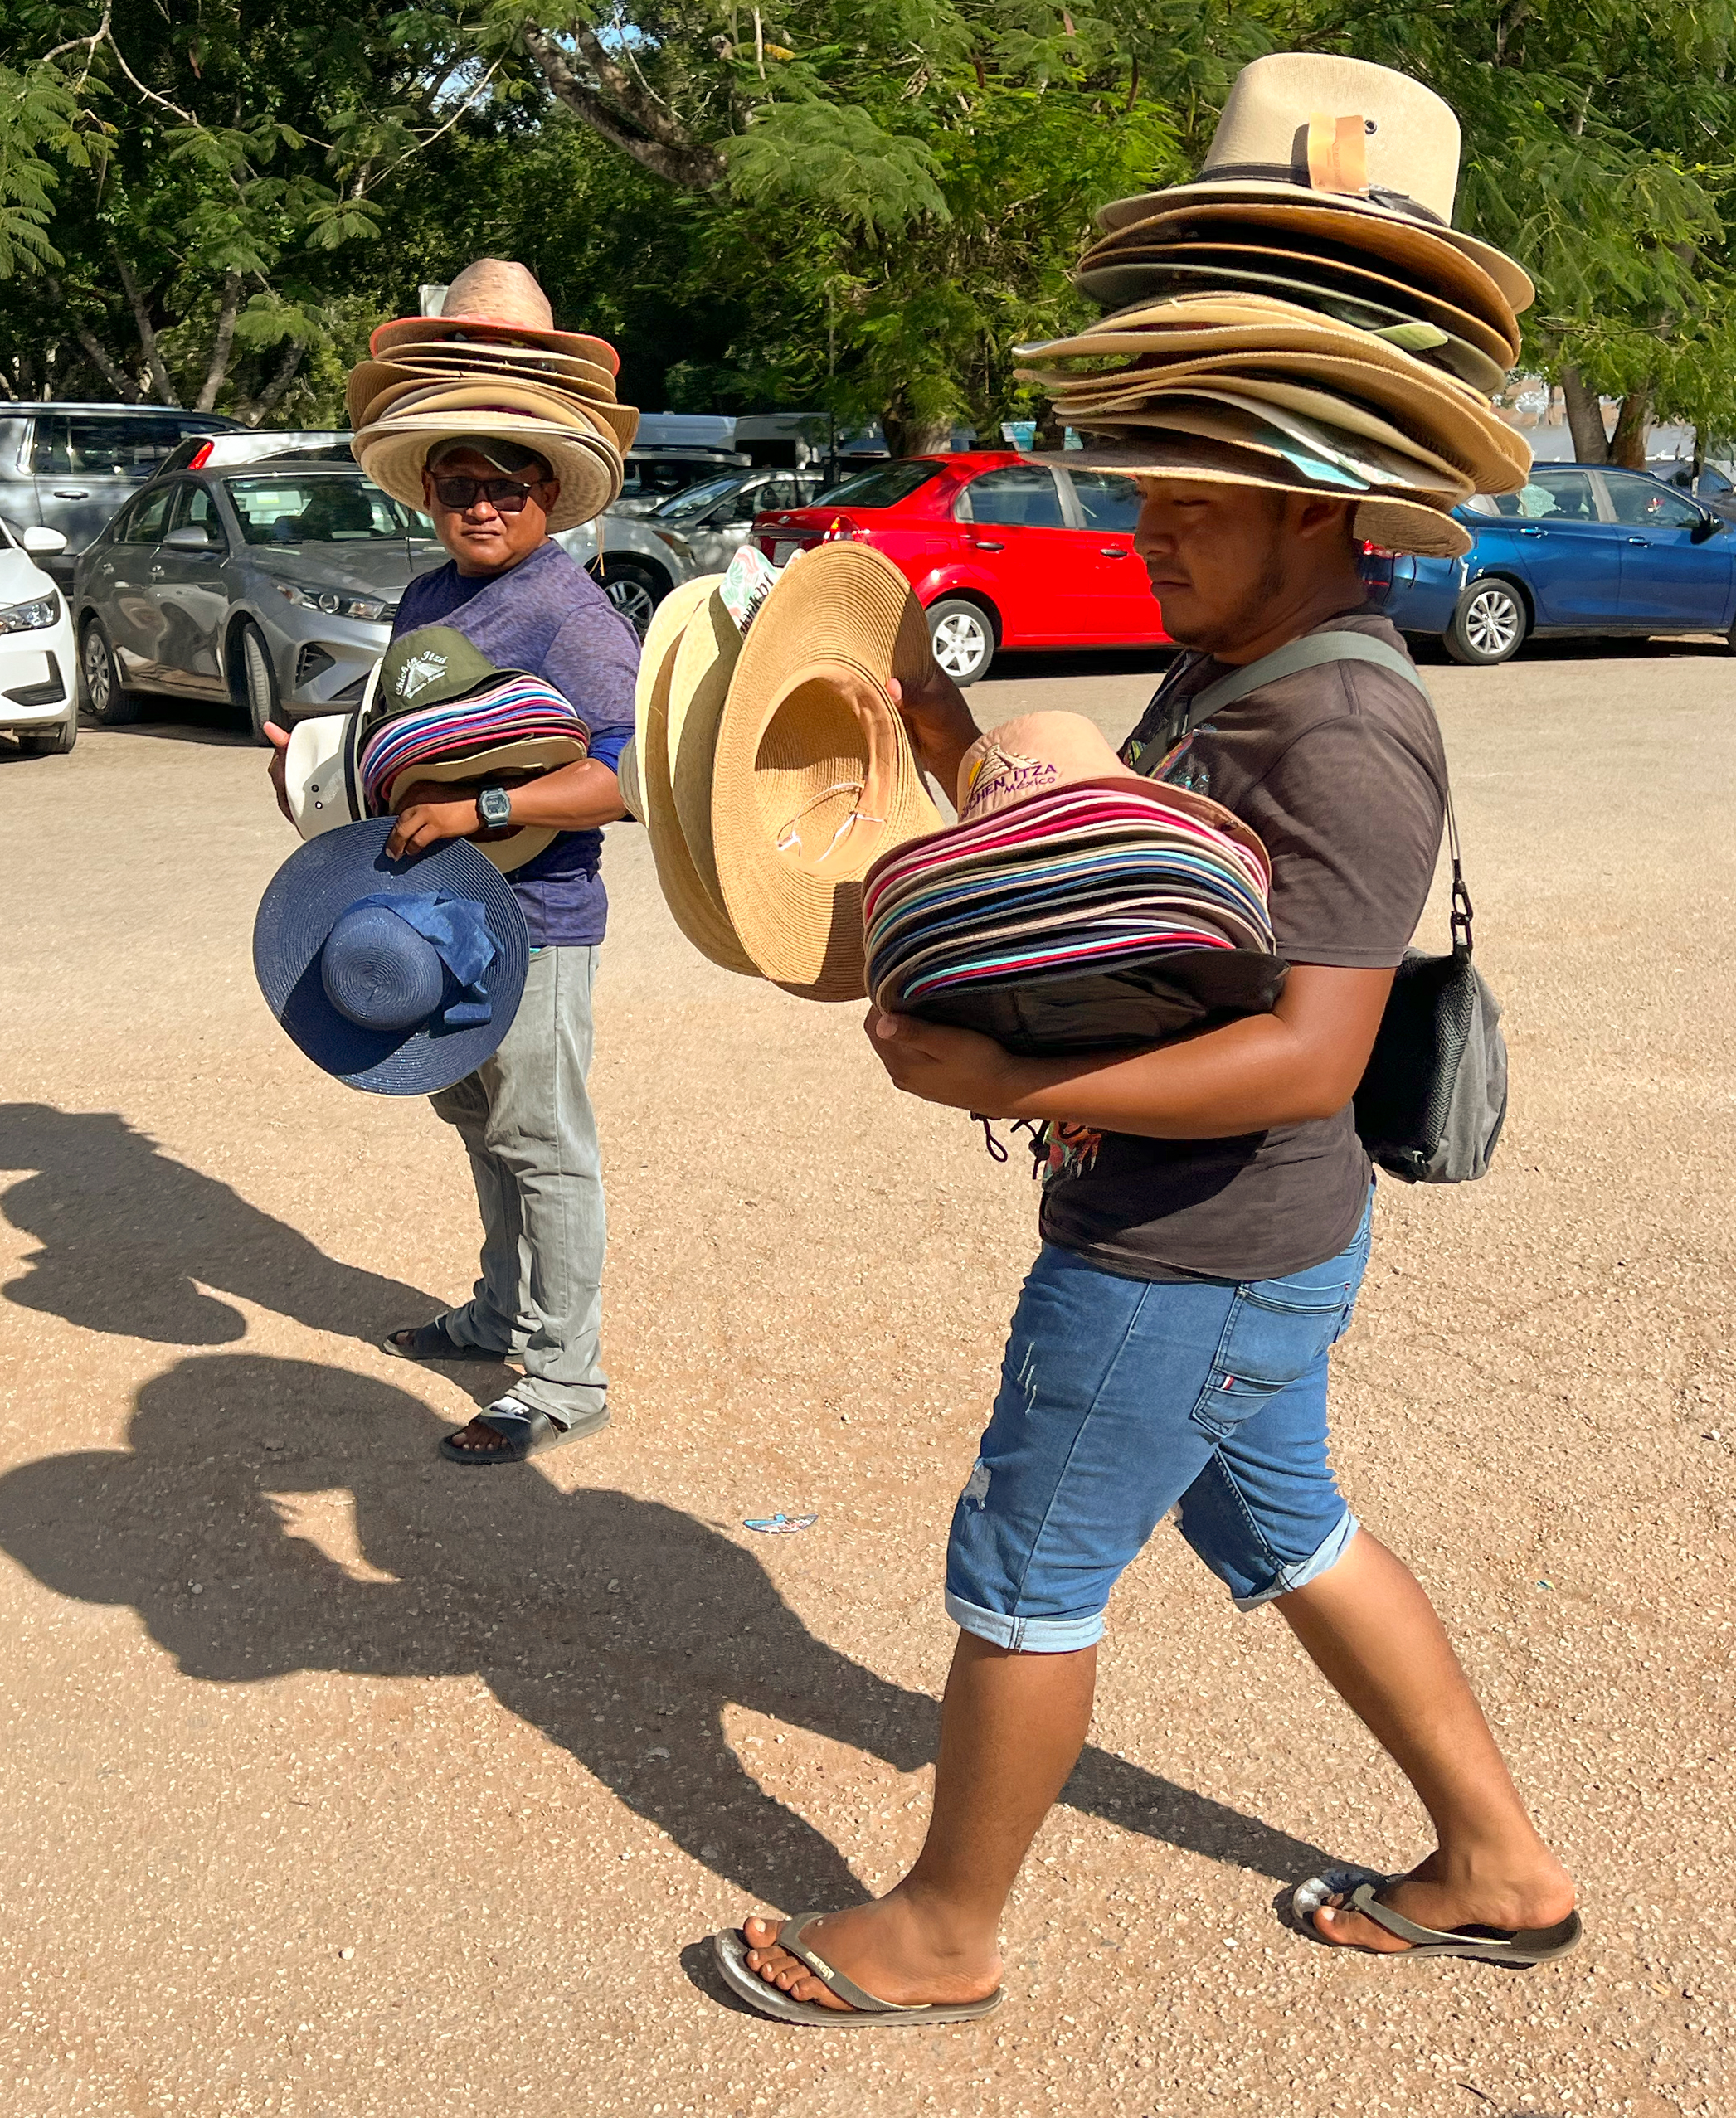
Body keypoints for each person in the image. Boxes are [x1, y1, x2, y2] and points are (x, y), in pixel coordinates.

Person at [725, 478, 1579, 2017]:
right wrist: (930, 712)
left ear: (1321, 514)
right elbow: (1106, 859)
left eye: (1192, 504)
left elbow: (1311, 1057)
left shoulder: (1341, 730)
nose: (1148, 532)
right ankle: (1499, 1866)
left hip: (1184, 1252)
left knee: (1027, 1575)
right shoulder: (1233, 665)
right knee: (1292, 1528)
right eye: (1150, 497)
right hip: (1235, 1237)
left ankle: (943, 1929)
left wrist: (1009, 1083)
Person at [268, 435, 636, 1463]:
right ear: (427, 495)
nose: (482, 508)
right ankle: (500, 1316)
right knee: (476, 1124)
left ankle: (565, 1376)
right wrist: (322, 772)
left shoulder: (573, 614)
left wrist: (483, 806)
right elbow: (414, 740)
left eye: (505, 490)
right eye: (459, 488)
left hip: (537, 923)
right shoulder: (430, 594)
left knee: (542, 1144)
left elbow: (629, 777)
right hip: (433, 915)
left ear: (547, 496)